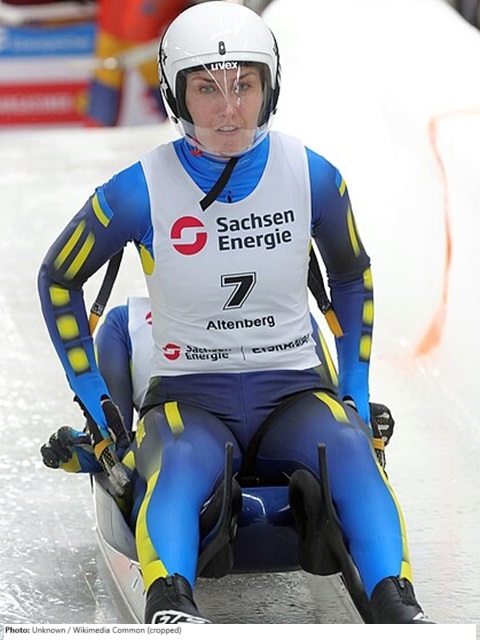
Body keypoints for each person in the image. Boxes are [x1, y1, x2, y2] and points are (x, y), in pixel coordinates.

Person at [38, 1, 433, 624]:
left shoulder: (314, 177)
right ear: (176, 94)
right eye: (206, 89)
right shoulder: (138, 190)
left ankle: (397, 604)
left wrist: (354, 394)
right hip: (190, 398)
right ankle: (171, 606)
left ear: (269, 87)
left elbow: (352, 275)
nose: (228, 109)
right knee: (180, 458)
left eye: (243, 85)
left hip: (294, 390)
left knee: (347, 444)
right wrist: (100, 408)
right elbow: (58, 279)